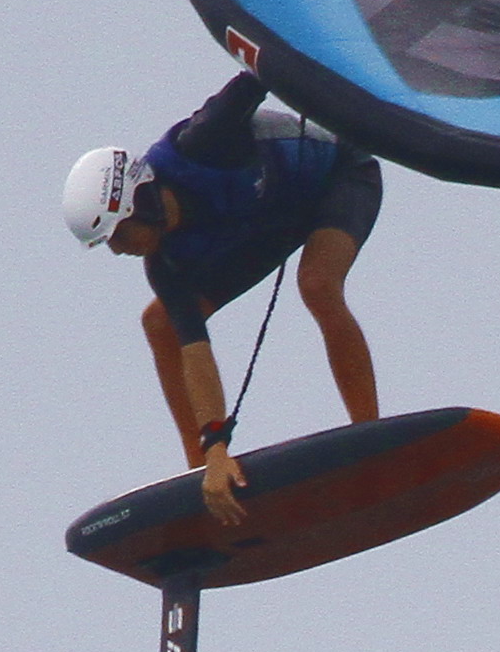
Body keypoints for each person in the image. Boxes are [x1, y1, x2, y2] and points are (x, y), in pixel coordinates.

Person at [63, 61, 383, 528]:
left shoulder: (204, 141)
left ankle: (371, 437)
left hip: (340, 174)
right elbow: (196, 350)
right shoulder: (166, 264)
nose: (118, 251)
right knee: (161, 323)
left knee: (317, 284)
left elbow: (262, 67)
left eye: (118, 235)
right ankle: (205, 473)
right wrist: (217, 448)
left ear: (138, 201)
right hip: (269, 219)